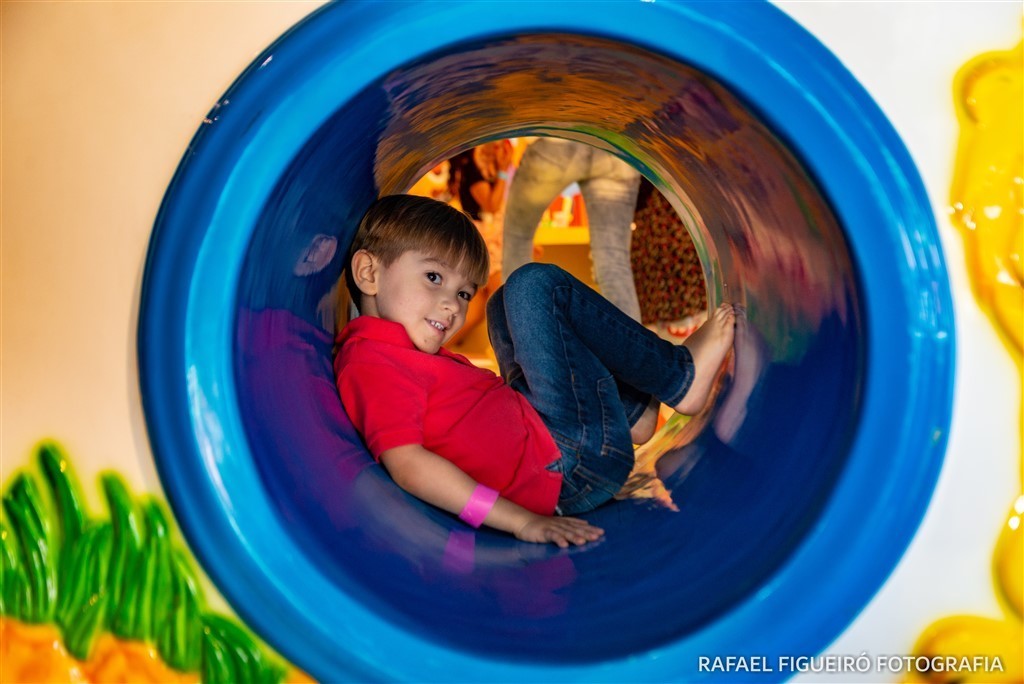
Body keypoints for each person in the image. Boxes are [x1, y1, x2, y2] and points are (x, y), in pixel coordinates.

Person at [335, 195, 736, 547]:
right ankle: (678, 377)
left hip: (548, 439)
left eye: (462, 292)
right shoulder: (371, 364)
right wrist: (520, 520)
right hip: (565, 468)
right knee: (533, 287)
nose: (453, 306)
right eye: (434, 277)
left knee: (504, 301)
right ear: (369, 273)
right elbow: (408, 466)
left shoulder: (392, 350)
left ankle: (633, 414)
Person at [502, 138, 644, 321]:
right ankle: (631, 349)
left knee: (518, 241)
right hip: (616, 145)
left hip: (558, 138)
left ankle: (519, 339)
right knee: (614, 263)